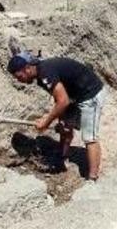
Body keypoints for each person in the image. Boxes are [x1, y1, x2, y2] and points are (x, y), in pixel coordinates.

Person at [8, 53, 107, 181]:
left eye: (19, 76)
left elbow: (63, 101)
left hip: (90, 95)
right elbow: (59, 97)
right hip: (75, 95)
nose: (18, 80)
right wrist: (56, 117)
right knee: (64, 126)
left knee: (89, 137)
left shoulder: (45, 72)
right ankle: (63, 157)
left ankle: (93, 178)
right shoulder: (40, 74)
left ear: (27, 68)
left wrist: (47, 121)